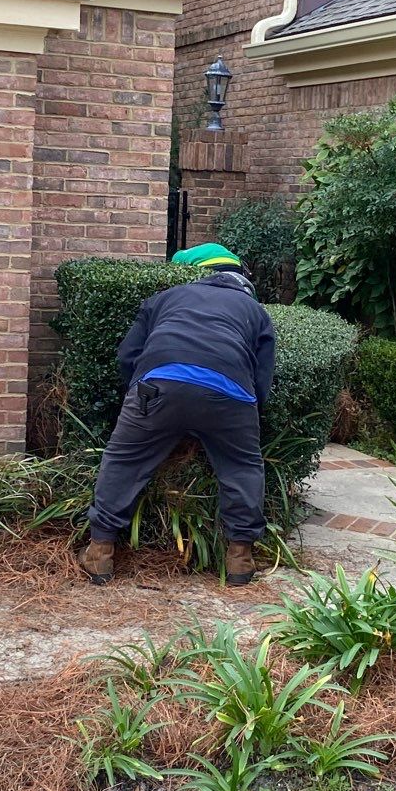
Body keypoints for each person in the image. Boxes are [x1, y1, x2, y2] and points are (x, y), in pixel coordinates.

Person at [78, 243, 275, 588]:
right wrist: (238, 414)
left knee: (125, 459)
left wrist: (143, 399)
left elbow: (128, 356)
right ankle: (240, 557)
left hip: (158, 386)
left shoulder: (165, 298)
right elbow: (262, 380)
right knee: (242, 465)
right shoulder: (255, 311)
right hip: (230, 394)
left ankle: (100, 552)